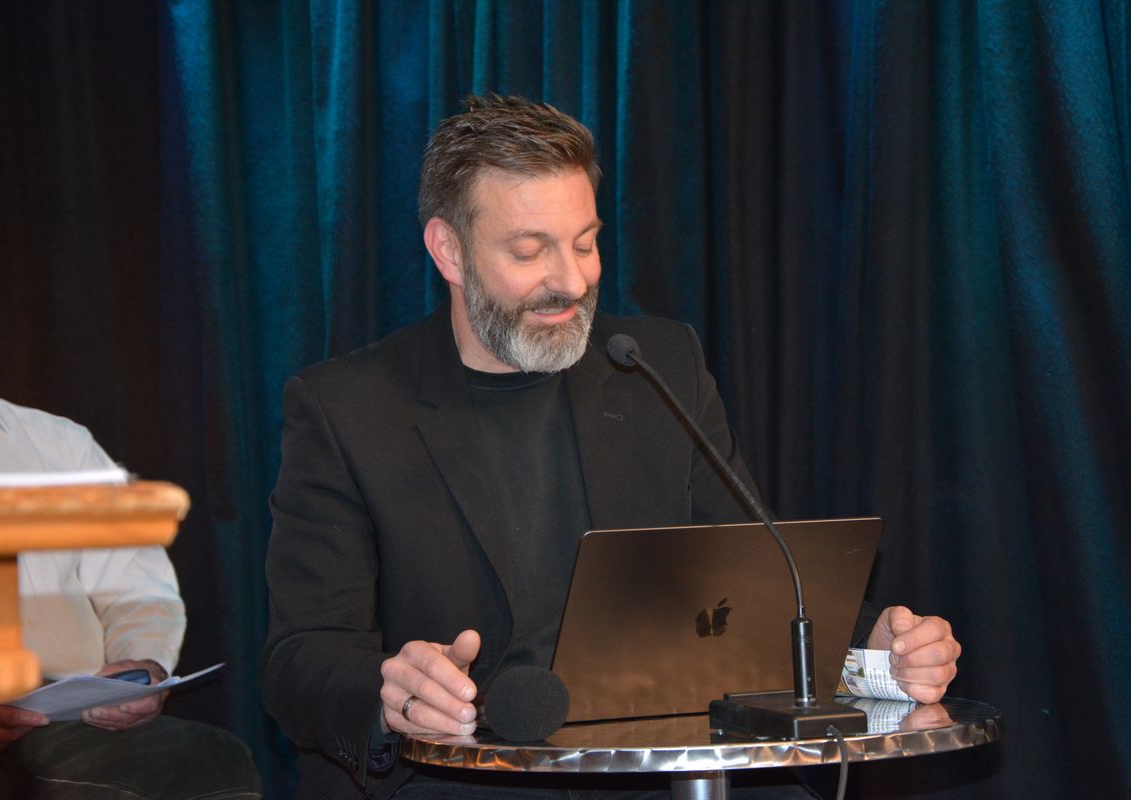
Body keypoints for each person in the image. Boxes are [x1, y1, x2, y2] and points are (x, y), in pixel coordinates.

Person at [262, 95, 961, 799]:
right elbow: (301, 657)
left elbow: (755, 571)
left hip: (660, 764)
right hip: (461, 779)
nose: (572, 281)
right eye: (529, 251)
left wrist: (876, 650)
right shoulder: (347, 409)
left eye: (585, 243)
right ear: (449, 250)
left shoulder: (656, 365)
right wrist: (392, 691)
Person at [0, 394, 262, 799]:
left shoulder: (56, 441)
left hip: (60, 716)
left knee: (211, 761)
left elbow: (136, 587)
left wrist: (139, 670)